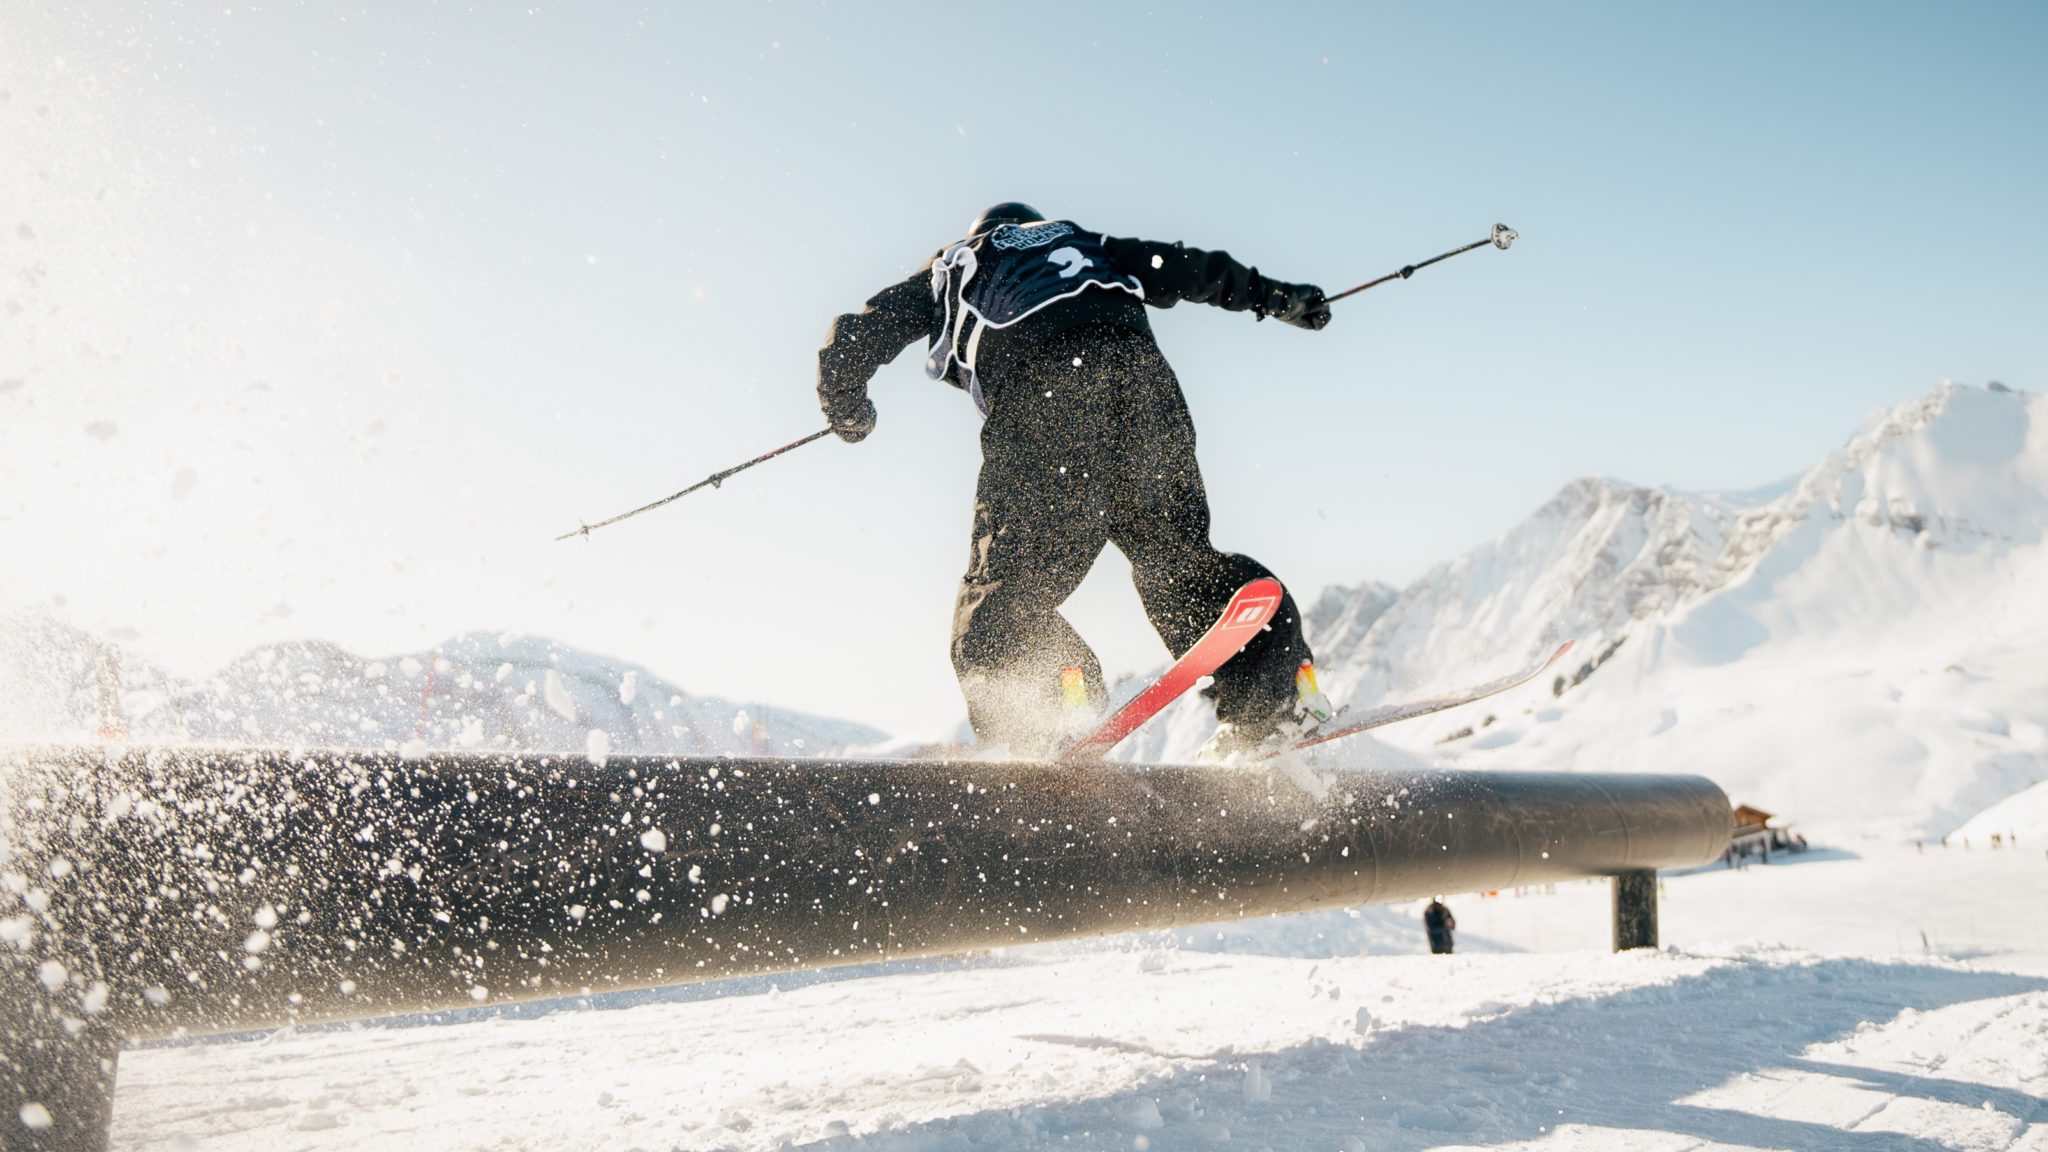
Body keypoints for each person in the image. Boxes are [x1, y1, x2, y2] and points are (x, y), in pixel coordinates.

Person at [815, 202, 1335, 756]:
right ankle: (1276, 704)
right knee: (1177, 564)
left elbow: (863, 330)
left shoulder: (962, 259)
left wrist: (847, 405)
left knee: (1002, 598)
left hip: (1048, 398)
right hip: (1144, 388)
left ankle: (1051, 715)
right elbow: (1186, 267)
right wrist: (1278, 297)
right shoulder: (1087, 243)